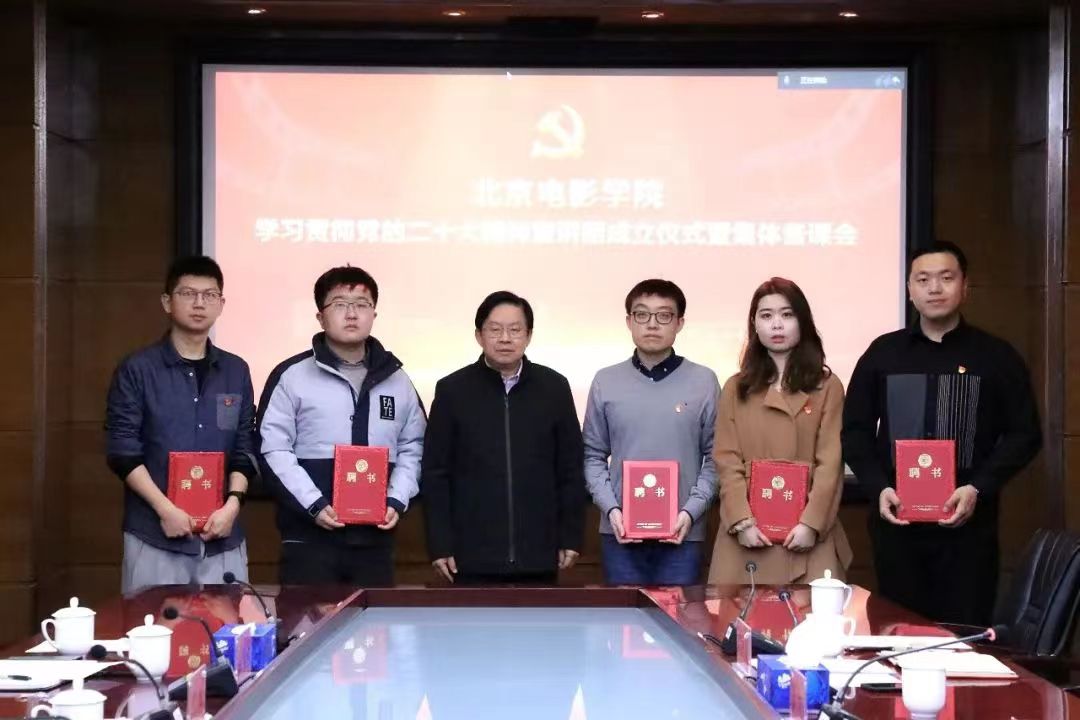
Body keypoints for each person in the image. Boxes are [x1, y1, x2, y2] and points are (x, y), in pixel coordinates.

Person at [842, 242, 1041, 624]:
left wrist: (978, 487)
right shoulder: (883, 353)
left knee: (963, 634)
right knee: (899, 633)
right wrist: (878, 487)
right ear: (909, 289)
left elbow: (1025, 434)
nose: (935, 288)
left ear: (965, 287)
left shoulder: (996, 356)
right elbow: (855, 431)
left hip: (969, 531)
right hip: (897, 528)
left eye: (946, 278)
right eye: (923, 279)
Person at [258, 265, 425, 585]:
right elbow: (273, 448)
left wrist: (396, 500)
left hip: (376, 542)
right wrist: (313, 504)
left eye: (362, 304)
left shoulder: (397, 381)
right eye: (339, 304)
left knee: (375, 619)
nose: (352, 314)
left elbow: (414, 447)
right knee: (307, 619)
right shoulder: (291, 376)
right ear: (320, 316)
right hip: (309, 539)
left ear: (374, 314)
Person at [106, 255, 254, 593]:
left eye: (210, 295)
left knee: (228, 625)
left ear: (221, 304)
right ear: (167, 302)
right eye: (188, 293)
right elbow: (122, 451)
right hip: (155, 533)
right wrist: (165, 509)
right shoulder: (137, 369)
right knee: (151, 625)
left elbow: (244, 446)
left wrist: (232, 506)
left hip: (222, 536)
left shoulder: (236, 371)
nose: (199, 303)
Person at [423, 291, 585, 584]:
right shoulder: (452, 391)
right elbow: (436, 473)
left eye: (515, 330)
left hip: (539, 553)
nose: (505, 338)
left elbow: (571, 469)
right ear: (479, 335)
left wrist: (571, 536)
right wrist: (440, 544)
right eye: (495, 330)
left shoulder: (554, 388)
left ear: (529, 335)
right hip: (471, 556)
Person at [708, 277, 852, 585]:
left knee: (810, 613)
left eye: (787, 315)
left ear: (803, 322)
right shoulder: (736, 387)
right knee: (739, 613)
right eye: (766, 315)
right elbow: (726, 459)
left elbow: (830, 462)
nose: (777, 324)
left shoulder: (827, 386)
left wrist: (811, 524)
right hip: (748, 533)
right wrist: (741, 520)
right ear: (754, 324)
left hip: (806, 532)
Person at [583, 279, 720, 585]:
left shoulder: (704, 381)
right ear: (629, 321)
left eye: (664, 315)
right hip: (620, 532)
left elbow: (716, 457)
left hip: (683, 533)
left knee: (679, 615)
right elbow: (592, 455)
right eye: (642, 314)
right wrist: (612, 509)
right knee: (623, 616)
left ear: (679, 323)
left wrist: (690, 512)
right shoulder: (606, 380)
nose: (652, 324)